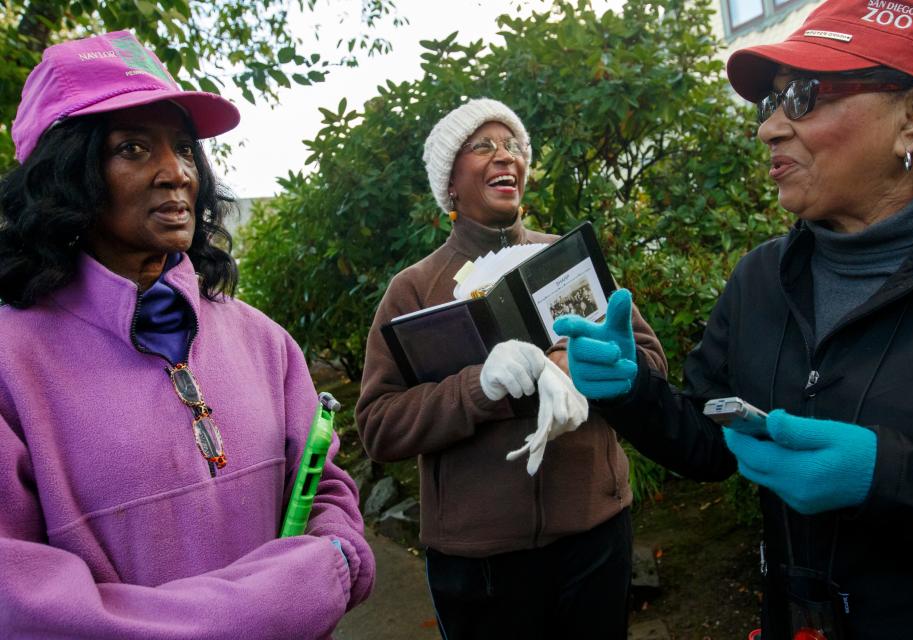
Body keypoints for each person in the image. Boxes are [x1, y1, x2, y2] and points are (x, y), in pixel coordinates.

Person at [555, 0, 913, 637]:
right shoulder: (761, 279)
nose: (769, 128)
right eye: (767, 103)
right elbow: (712, 442)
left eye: (801, 96)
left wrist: (887, 472)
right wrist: (629, 391)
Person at [0, 31, 373, 639]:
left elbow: (326, 485)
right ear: (64, 175)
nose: (175, 172)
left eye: (182, 148)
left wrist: (338, 556)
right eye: (134, 148)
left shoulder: (263, 341)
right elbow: (16, 596)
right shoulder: (11, 361)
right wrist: (252, 613)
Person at [355, 98, 668, 639]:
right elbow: (379, 426)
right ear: (449, 183)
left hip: (596, 536)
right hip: (480, 564)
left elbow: (651, 366)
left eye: (513, 146)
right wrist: (478, 387)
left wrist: (577, 364)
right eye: (484, 146)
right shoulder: (414, 290)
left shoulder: (570, 261)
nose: (506, 156)